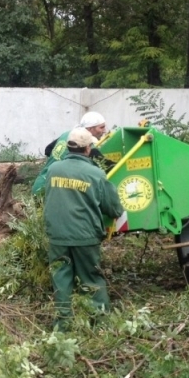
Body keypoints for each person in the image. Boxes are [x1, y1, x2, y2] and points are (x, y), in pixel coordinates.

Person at [43, 127, 123, 329]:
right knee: (91, 279)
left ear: (69, 147)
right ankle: (100, 324)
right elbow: (113, 208)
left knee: (61, 279)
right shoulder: (95, 173)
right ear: (88, 148)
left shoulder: (53, 170)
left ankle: (63, 325)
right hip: (84, 236)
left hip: (57, 236)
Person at [32, 111, 109, 195]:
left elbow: (48, 150)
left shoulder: (68, 134)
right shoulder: (87, 145)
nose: (104, 131)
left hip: (41, 184)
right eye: (101, 127)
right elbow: (107, 166)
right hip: (51, 190)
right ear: (90, 129)